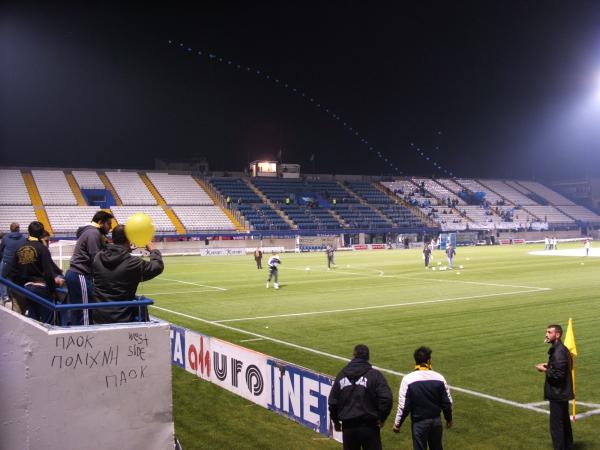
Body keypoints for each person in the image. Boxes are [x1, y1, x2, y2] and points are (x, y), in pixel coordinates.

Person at [92, 225, 164, 324]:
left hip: (98, 317)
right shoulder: (132, 263)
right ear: (129, 240)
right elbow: (157, 267)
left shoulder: (98, 257)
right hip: (122, 319)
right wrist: (153, 250)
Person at [329, 344, 393, 450]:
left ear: (353, 356)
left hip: (348, 427)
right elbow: (387, 398)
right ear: (368, 357)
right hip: (370, 426)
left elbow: (333, 402)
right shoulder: (375, 375)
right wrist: (382, 418)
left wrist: (336, 422)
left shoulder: (342, 375)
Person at [392, 346, 453, 450]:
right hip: (436, 421)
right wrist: (449, 419)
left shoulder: (408, 379)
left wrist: (398, 424)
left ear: (415, 360)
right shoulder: (439, 378)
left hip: (419, 423)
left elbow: (404, 406)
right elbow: (447, 403)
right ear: (429, 360)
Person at [64, 210, 114, 325]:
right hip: (80, 274)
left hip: (75, 274)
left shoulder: (89, 232)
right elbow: (95, 257)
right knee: (85, 311)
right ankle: (85, 337)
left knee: (77, 311)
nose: (110, 228)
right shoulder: (93, 233)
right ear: (101, 222)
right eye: (109, 224)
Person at [9, 221, 61, 323]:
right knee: (49, 321)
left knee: (34, 321)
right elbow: (48, 273)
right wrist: (53, 291)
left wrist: (21, 286)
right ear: (42, 233)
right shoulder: (42, 248)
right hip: (42, 287)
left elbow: (13, 272)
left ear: (28, 231)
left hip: (27, 288)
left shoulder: (20, 248)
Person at [536, 324, 574, 450]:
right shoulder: (560, 349)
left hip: (558, 394)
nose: (546, 334)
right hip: (562, 393)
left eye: (549, 332)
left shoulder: (558, 351)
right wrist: (549, 365)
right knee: (564, 423)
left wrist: (544, 370)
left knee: (557, 426)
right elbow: (565, 366)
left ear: (557, 334)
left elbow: (559, 375)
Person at [0, 222, 27, 303]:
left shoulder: (5, 238)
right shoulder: (23, 238)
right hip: (18, 263)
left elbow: (1, 249)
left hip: (6, 261)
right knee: (14, 278)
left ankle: (5, 296)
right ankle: (14, 296)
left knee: (2, 278)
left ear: (10, 228)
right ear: (18, 228)